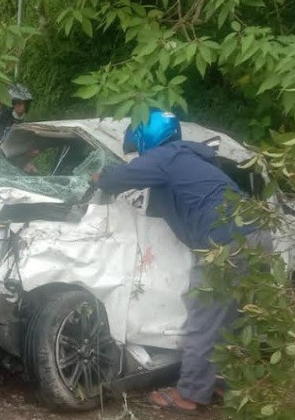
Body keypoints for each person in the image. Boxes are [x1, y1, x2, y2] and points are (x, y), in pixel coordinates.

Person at [93, 109, 271, 412]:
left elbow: (117, 178)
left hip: (227, 243)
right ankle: (224, 385)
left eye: (138, 150)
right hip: (257, 234)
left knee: (203, 316)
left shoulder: (166, 158)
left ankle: (189, 394)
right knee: (235, 319)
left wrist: (99, 177)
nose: (138, 157)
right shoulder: (192, 158)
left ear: (147, 139)